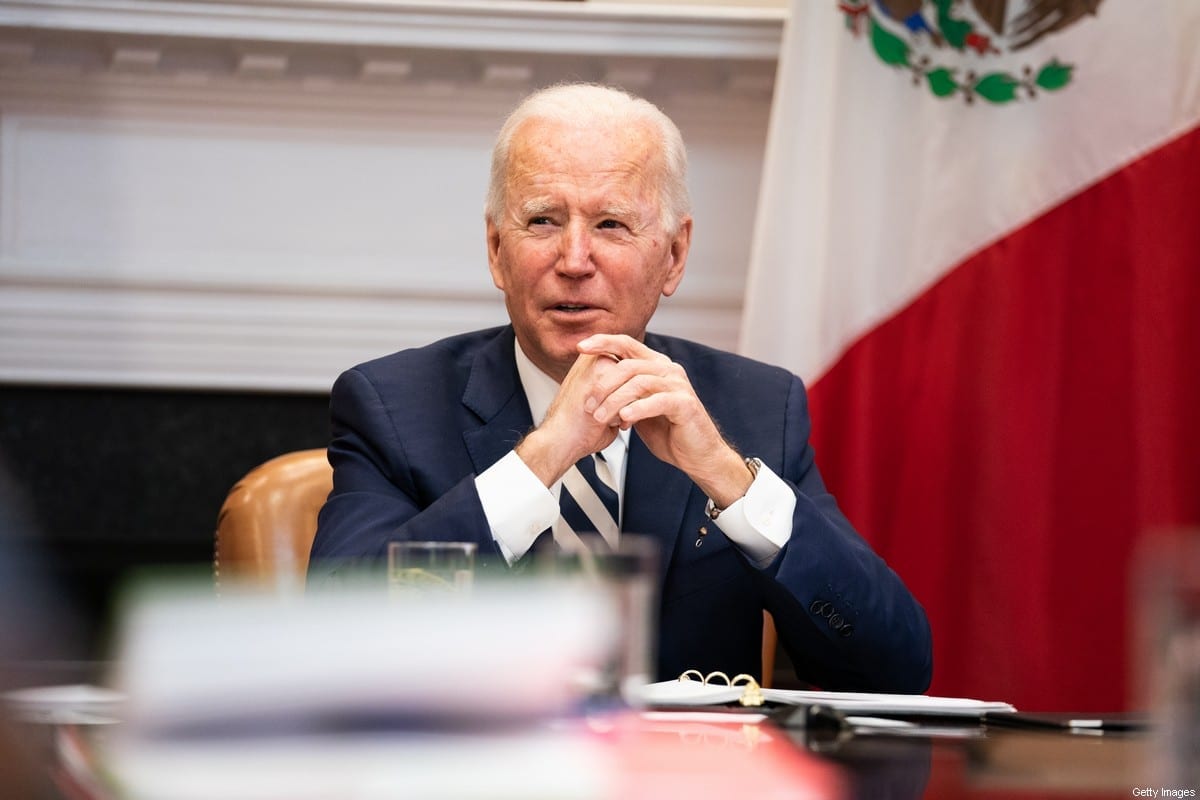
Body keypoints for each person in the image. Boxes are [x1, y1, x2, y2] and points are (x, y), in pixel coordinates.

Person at [309, 83, 932, 693]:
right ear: (497, 251)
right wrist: (543, 456)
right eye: (543, 220)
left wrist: (730, 480)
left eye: (610, 224)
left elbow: (894, 668)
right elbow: (339, 639)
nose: (575, 260)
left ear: (674, 255)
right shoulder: (393, 404)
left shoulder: (759, 408)